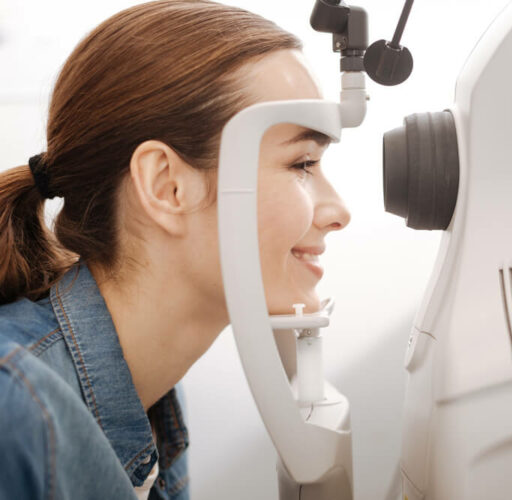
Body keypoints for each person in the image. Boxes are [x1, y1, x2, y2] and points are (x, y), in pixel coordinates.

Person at [0, 1, 351, 498]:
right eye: (302, 163)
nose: (338, 211)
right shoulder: (14, 411)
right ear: (167, 187)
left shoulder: (152, 393)